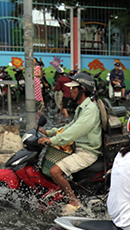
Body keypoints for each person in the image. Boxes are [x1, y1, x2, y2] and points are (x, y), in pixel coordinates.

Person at [38, 72, 101, 215]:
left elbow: (75, 131)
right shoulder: (83, 108)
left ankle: (73, 200)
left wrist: (52, 140)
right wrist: (49, 132)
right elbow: (70, 126)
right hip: (79, 148)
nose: (71, 91)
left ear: (83, 90)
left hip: (87, 152)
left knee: (55, 171)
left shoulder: (90, 110)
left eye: (74, 88)